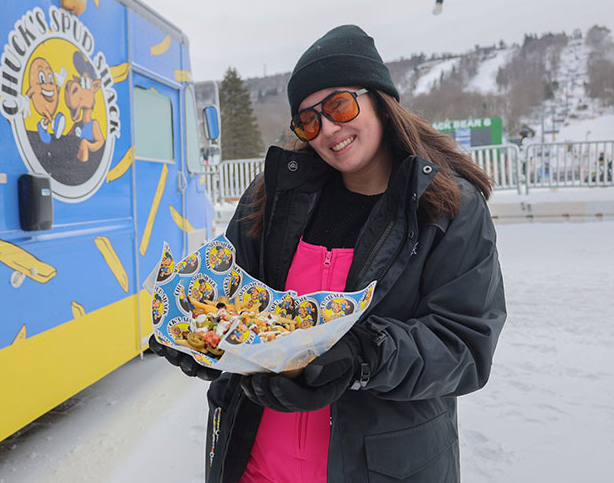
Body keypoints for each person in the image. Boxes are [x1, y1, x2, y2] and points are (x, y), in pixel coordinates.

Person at [150, 24, 506, 482]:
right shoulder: (273, 197)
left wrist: (363, 356)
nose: (328, 129)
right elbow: (230, 302)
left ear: (378, 98)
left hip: (382, 468)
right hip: (256, 466)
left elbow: (465, 345)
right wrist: (201, 339)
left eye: (339, 105)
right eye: (309, 120)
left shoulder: (446, 207)